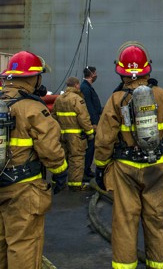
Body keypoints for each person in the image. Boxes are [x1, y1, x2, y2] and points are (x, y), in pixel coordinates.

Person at [94, 41, 163, 269]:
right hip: (157, 167)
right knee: (158, 219)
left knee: (125, 221)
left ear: (121, 71)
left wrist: (101, 166)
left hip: (125, 168)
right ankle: (159, 265)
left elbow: (104, 139)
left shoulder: (115, 100)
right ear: (147, 69)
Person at [0, 51, 68, 269]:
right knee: (24, 244)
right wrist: (60, 172)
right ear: (33, 77)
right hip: (23, 188)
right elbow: (50, 149)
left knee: (1, 243)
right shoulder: (33, 108)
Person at [52, 77, 94, 191]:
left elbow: (53, 117)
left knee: (61, 158)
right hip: (75, 136)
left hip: (61, 135)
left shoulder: (59, 99)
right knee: (76, 159)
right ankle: (75, 185)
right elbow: (83, 118)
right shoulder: (77, 99)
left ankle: (57, 182)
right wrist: (90, 133)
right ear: (76, 85)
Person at [81, 66, 102, 180]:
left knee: (91, 147)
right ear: (92, 74)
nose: (96, 75)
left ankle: (87, 169)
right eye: (95, 73)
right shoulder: (85, 88)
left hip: (92, 120)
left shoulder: (87, 87)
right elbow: (89, 106)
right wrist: (94, 122)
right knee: (89, 147)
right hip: (91, 122)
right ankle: (85, 170)